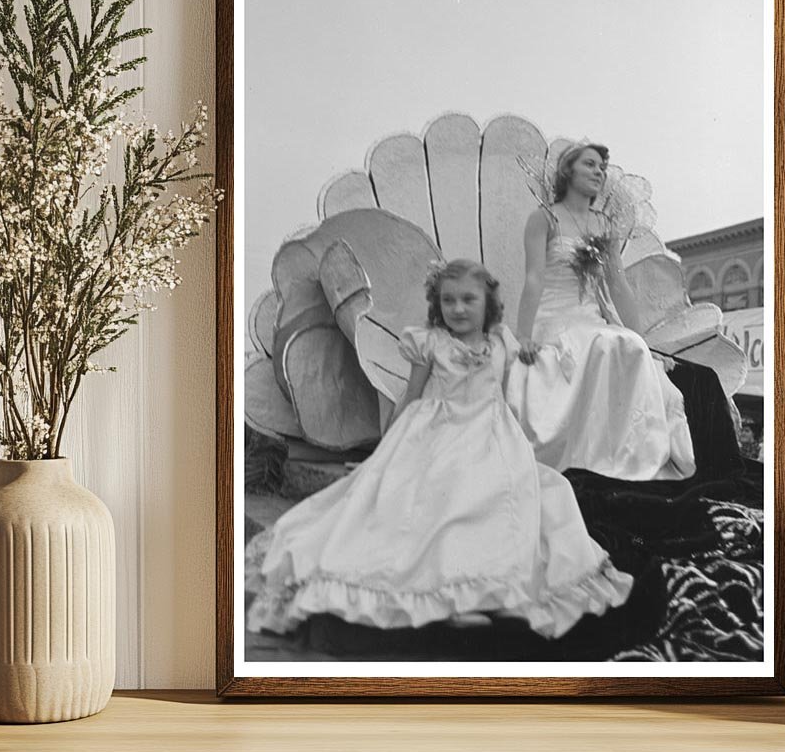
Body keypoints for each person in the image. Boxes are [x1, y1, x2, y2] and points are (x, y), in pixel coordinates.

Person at [246, 258, 632, 640]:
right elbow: (411, 395)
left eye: (468, 300)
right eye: (449, 301)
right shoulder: (430, 343)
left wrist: (523, 444)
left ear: (488, 304)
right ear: (438, 305)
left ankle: (492, 590)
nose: (458, 309)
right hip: (436, 431)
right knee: (441, 497)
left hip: (490, 432)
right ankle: (447, 596)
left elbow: (511, 398)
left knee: (536, 494)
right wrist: (385, 451)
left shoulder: (501, 343)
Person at [507, 142, 696, 482]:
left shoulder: (604, 226)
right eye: (590, 164)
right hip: (555, 319)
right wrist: (523, 334)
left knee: (628, 346)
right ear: (568, 171)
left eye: (601, 168)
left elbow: (618, 285)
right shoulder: (544, 218)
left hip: (593, 319)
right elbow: (534, 278)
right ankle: (589, 457)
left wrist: (642, 339)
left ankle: (629, 459)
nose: (598, 172)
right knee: (603, 345)